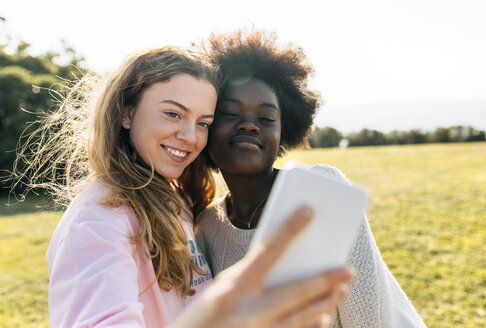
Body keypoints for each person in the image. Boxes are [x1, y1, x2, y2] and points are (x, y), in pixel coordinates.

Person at [11, 46, 354, 327]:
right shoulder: (98, 220)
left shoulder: (178, 202)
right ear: (126, 113)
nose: (190, 137)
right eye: (173, 114)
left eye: (203, 122)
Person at [194, 30, 427, 327]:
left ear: (283, 136)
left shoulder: (322, 190)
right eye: (230, 113)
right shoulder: (206, 227)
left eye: (266, 119)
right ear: (206, 127)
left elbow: (371, 318)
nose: (250, 126)